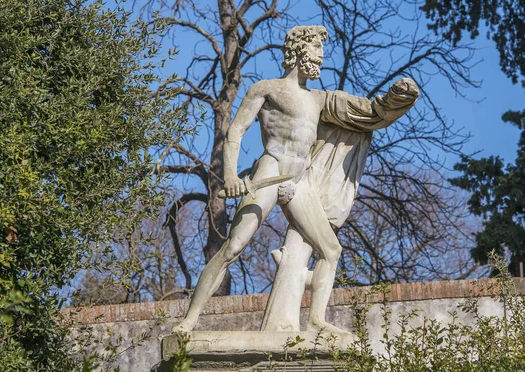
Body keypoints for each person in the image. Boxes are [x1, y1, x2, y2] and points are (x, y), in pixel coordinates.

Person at [173, 26, 419, 333]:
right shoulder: (267, 89)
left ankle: (316, 319)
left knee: (331, 252)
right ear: (299, 50)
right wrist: (231, 176)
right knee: (234, 246)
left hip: (298, 181)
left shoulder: (319, 100)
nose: (321, 57)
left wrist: (398, 98)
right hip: (270, 171)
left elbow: (369, 113)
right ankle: (190, 319)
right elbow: (235, 131)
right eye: (317, 50)